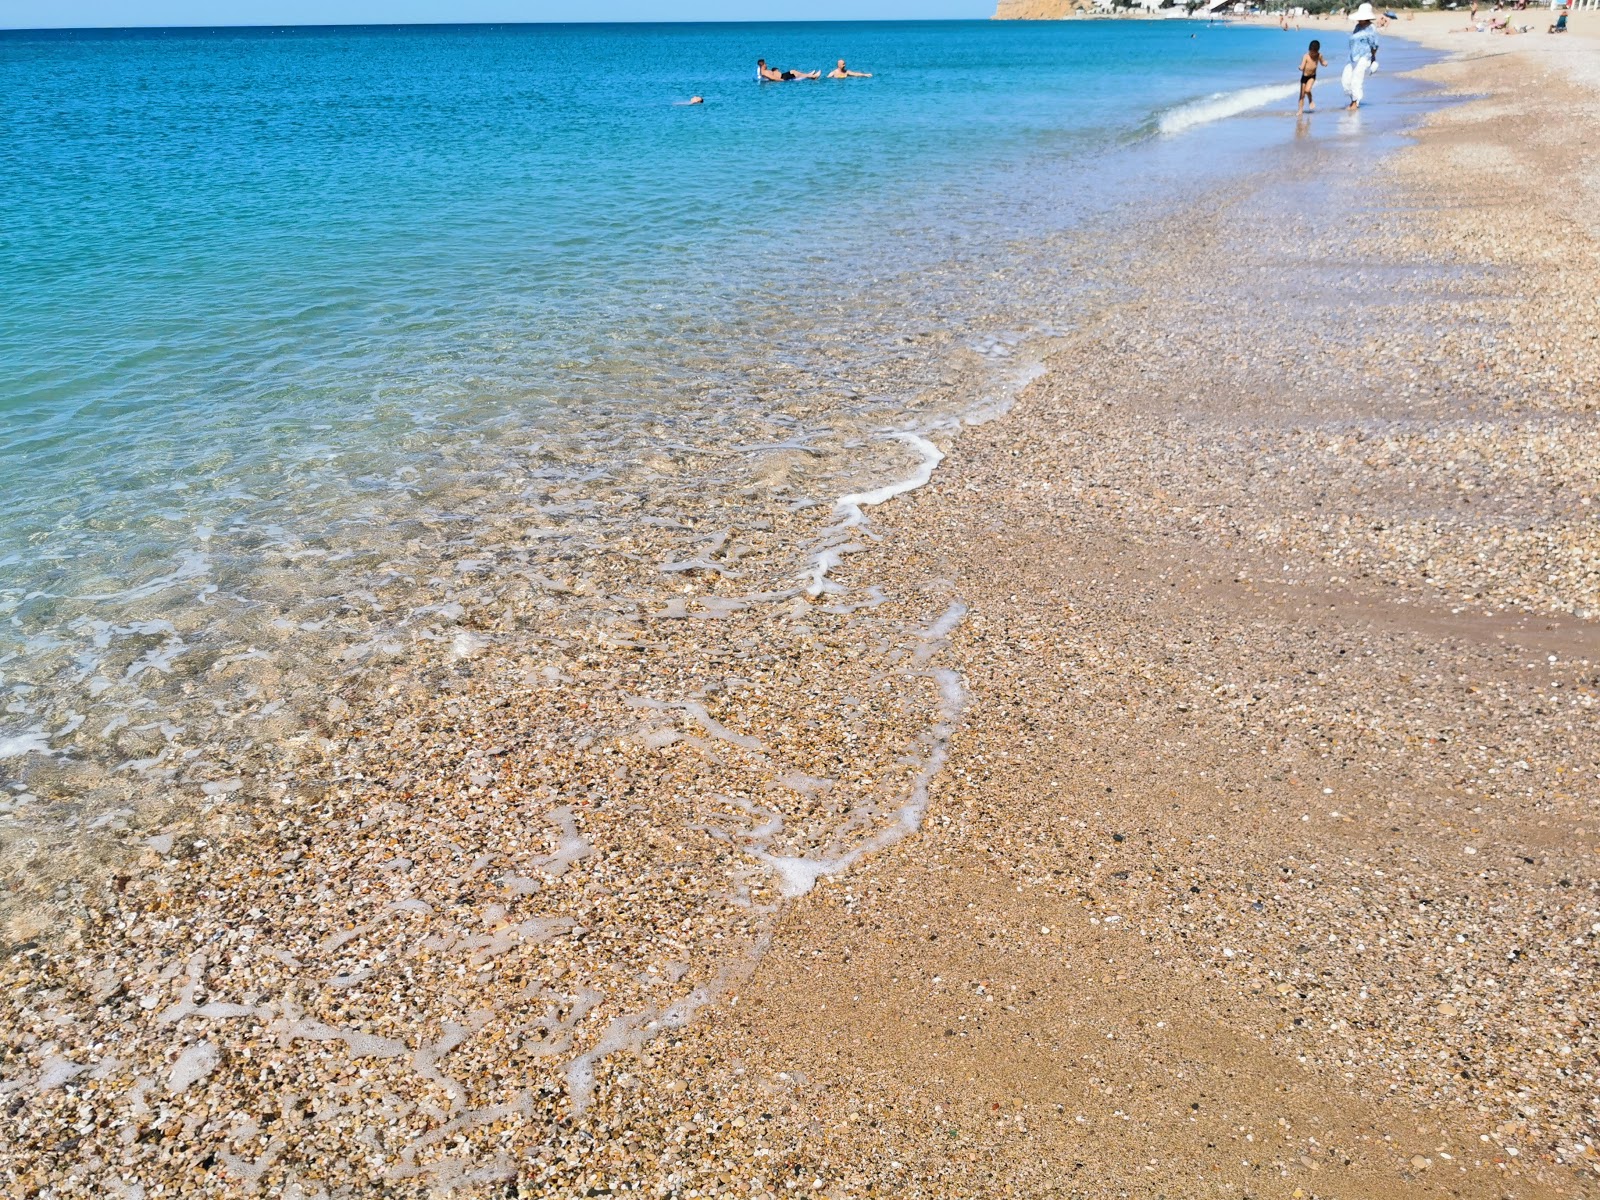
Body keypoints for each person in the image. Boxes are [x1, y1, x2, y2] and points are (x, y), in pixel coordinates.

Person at [1342, 3, 1379, 111]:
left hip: (1364, 56)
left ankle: (1355, 102)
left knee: (1356, 80)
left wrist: (1373, 58)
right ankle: (1353, 99)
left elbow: (1375, 45)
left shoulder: (1371, 28)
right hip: (1352, 56)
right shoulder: (1357, 27)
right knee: (1346, 80)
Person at [1298, 38, 1328, 113]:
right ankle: (1300, 110)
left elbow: (1322, 62)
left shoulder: (1319, 55)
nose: (1312, 53)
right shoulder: (1306, 56)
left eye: (1313, 52)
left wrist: (1324, 63)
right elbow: (1302, 66)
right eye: (1310, 51)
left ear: (1317, 51)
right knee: (1302, 95)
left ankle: (1310, 100)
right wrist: (1300, 68)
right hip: (1304, 77)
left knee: (1307, 90)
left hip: (1312, 76)